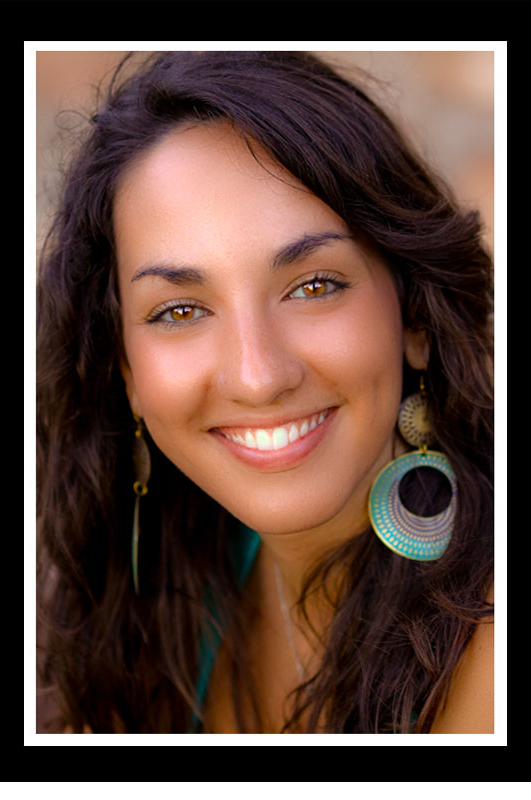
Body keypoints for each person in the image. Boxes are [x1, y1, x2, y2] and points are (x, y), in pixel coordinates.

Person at [36, 51, 494, 734]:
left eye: (313, 286)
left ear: (415, 318)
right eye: (179, 311)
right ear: (125, 371)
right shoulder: (149, 597)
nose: (258, 376)